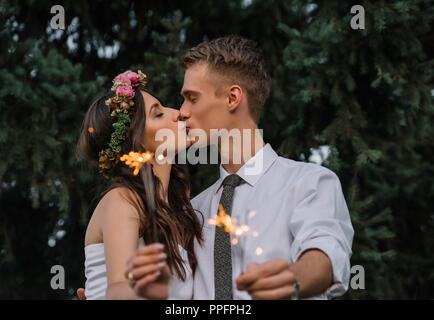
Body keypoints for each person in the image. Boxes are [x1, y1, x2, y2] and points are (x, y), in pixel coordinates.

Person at [128, 35, 354, 300]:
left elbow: (325, 255)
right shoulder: (193, 211)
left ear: (233, 97)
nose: (182, 112)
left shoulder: (310, 183)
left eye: (192, 98)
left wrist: (293, 279)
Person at [76, 69, 203, 299]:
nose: (177, 113)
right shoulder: (123, 199)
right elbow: (120, 290)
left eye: (164, 108)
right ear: (134, 142)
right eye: (158, 114)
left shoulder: (178, 209)